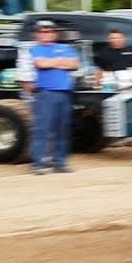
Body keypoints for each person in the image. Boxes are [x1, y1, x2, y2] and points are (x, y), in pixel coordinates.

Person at [26, 21, 79, 174]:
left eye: (48, 31)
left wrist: (53, 62)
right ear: (37, 34)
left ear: (54, 33)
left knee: (62, 129)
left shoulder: (65, 47)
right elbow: (41, 64)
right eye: (42, 32)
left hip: (65, 93)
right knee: (42, 129)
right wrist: (61, 61)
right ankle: (37, 164)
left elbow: (74, 64)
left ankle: (60, 163)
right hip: (46, 93)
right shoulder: (35, 48)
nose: (45, 34)